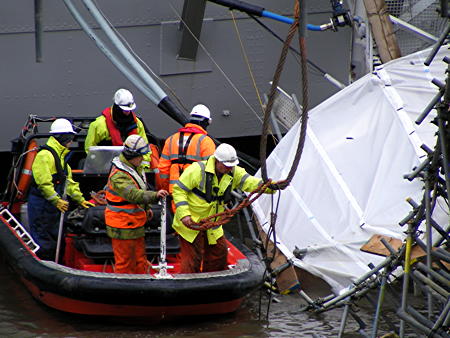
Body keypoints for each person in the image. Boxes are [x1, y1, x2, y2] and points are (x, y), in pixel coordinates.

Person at [172, 143, 280, 273]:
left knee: (219, 253)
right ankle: (188, 286)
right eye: (227, 166)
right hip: (192, 222)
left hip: (213, 224)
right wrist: (184, 214)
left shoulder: (233, 172)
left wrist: (271, 187)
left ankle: (213, 282)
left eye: (232, 166)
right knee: (192, 259)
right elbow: (179, 190)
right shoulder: (197, 170)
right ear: (217, 161)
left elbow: (250, 182)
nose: (230, 168)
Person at [28, 118, 95, 260]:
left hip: (53, 208)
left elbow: (69, 183)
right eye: (70, 138)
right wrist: (56, 201)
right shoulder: (45, 156)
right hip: (42, 207)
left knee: (55, 237)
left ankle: (56, 262)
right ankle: (45, 266)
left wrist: (80, 200)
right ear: (64, 137)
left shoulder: (61, 158)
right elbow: (44, 184)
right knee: (43, 239)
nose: (71, 141)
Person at [104, 134, 169, 274]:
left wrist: (147, 208)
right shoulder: (119, 175)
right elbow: (133, 194)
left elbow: (141, 188)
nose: (143, 158)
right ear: (131, 155)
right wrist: (155, 195)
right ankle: (124, 291)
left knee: (139, 259)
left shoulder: (134, 167)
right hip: (122, 224)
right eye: (141, 155)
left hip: (134, 222)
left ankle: (141, 284)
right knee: (125, 262)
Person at [158, 104, 216, 211]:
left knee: (180, 223)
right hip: (198, 195)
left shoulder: (171, 140)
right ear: (206, 122)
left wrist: (166, 189)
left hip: (175, 193)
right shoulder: (206, 142)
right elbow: (212, 172)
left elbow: (163, 170)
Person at [84, 88, 151, 169]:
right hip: (106, 169)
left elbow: (144, 146)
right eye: (125, 110)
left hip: (133, 168)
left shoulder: (137, 124)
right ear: (117, 107)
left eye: (130, 110)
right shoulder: (98, 125)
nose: (128, 113)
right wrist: (101, 167)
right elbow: (90, 148)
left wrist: (142, 167)